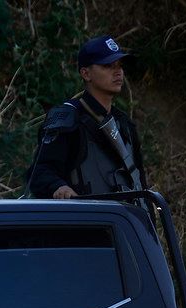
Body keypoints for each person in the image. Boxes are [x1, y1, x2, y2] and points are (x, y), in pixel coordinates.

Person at [28, 35, 147, 199]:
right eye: (108, 65)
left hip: (123, 221)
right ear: (86, 73)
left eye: (120, 65)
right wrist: (59, 187)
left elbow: (140, 182)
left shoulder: (124, 124)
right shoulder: (67, 119)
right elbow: (40, 173)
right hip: (84, 221)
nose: (118, 71)